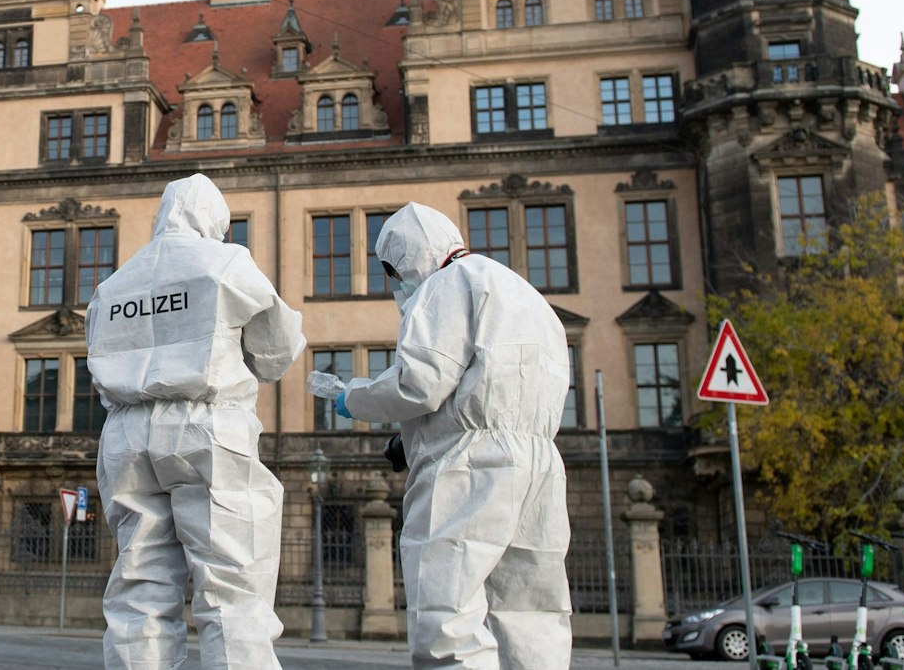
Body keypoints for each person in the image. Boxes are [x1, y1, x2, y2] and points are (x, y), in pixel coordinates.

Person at [310, 202, 571, 669]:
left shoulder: (445, 285)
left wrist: (355, 396)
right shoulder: (523, 292)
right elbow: (484, 384)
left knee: (447, 612)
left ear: (407, 259)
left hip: (470, 468)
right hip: (539, 462)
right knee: (530, 609)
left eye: (393, 272)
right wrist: (410, 441)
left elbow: (421, 382)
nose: (395, 284)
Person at [88, 173, 305, 670]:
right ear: (217, 223)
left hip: (124, 434)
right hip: (204, 425)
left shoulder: (114, 283)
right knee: (232, 586)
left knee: (138, 586)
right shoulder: (226, 262)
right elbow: (277, 351)